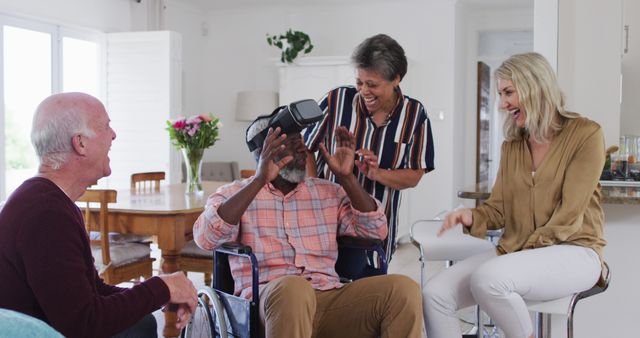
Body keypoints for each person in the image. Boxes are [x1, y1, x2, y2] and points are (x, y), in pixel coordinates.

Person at [422, 52, 606, 338]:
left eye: (509, 92)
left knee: (490, 278)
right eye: (500, 94)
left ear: (535, 86)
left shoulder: (585, 134)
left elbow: (571, 212)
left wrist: (523, 250)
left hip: (575, 250)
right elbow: (499, 209)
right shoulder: (514, 146)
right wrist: (472, 215)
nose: (502, 103)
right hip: (517, 251)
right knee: (435, 293)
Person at [193, 113, 423, 338]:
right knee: (294, 289)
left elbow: (376, 231)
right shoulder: (234, 194)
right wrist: (259, 179)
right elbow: (205, 239)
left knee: (403, 290)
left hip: (328, 297)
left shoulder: (327, 192)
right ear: (264, 153)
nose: (303, 149)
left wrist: (346, 178)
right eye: (292, 144)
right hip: (269, 302)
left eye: (301, 141)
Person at [0, 92, 198, 338]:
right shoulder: (46, 214)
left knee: (143, 322)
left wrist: (162, 292)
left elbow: (94, 292)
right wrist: (162, 287)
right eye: (106, 126)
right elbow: (85, 324)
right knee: (141, 327)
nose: (113, 135)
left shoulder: (48, 201)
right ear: (80, 143)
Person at [303, 34, 435, 267]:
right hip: (324, 224)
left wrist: (377, 174)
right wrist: (314, 189)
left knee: (368, 293)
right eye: (359, 82)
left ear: (396, 79)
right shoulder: (335, 100)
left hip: (376, 232)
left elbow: (415, 174)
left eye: (372, 84)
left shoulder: (415, 114)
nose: (364, 91)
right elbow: (305, 148)